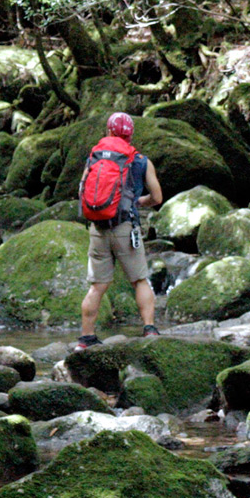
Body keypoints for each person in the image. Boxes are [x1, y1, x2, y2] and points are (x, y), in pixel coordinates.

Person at [76, 112, 163, 349]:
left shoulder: (94, 157)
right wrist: (139, 201)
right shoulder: (141, 161)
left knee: (97, 286)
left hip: (98, 228)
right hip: (125, 227)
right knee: (139, 280)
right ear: (130, 134)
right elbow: (157, 197)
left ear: (108, 131)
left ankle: (85, 339)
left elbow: (83, 190)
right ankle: (149, 329)